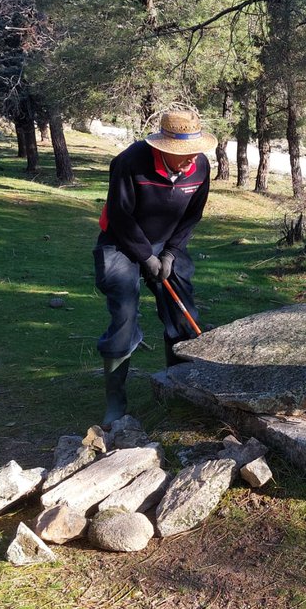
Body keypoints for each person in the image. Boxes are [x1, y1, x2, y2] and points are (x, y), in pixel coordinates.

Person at [94, 106, 215, 427]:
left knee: (183, 313)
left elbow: (192, 216)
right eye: (183, 152)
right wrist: (146, 257)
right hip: (120, 241)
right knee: (124, 314)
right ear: (163, 147)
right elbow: (120, 215)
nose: (191, 158)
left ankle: (179, 387)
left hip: (166, 245)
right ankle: (116, 401)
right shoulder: (130, 162)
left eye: (194, 151)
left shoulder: (200, 167)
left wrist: (170, 254)